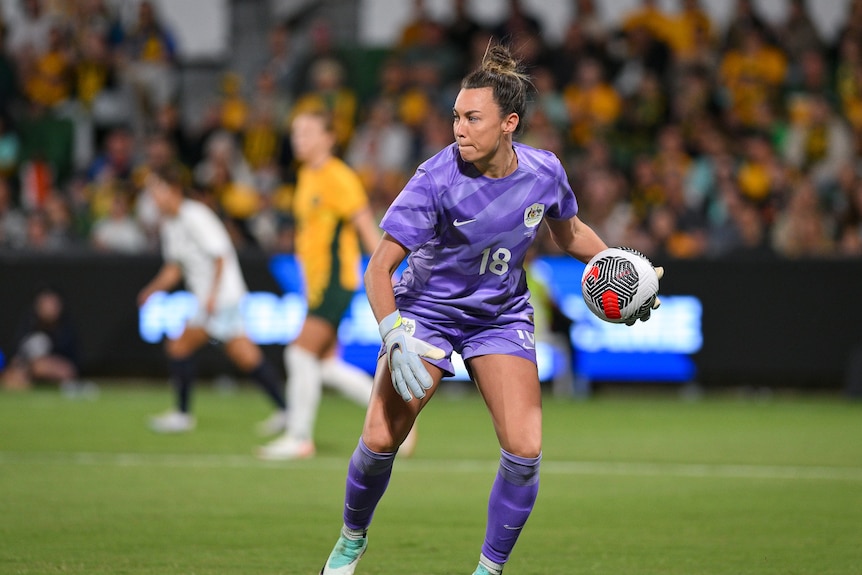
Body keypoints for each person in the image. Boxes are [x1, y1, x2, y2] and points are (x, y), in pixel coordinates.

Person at [316, 43, 662, 575]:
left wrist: (626, 271)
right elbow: (377, 269)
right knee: (381, 438)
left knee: (524, 452)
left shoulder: (544, 172)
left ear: (509, 123)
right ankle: (350, 539)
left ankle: (488, 570)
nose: (459, 128)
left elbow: (568, 234)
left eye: (472, 118)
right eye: (456, 116)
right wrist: (392, 333)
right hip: (427, 311)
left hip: (499, 316)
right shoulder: (434, 179)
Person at [257, 108, 411, 460]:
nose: (299, 139)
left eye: (308, 132)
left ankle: (299, 438)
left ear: (328, 138)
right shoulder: (306, 176)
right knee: (324, 365)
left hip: (335, 284)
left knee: (298, 353)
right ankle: (401, 416)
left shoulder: (338, 177)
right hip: (316, 285)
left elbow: (366, 227)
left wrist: (390, 271)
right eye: (296, 133)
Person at [137, 164, 287, 434]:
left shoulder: (195, 215)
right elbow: (174, 268)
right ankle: (286, 410)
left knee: (179, 347)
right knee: (246, 355)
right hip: (214, 299)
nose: (153, 198)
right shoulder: (171, 225)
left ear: (172, 190)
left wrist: (212, 296)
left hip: (220, 299)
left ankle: (182, 416)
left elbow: (220, 255)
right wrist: (152, 289)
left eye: (156, 191)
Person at [1, 285, 95, 397]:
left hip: (60, 373)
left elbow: (71, 365)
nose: (50, 308)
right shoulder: (28, 325)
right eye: (46, 304)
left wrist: (53, 365)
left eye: (53, 304)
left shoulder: (66, 329)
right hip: (27, 369)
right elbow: (16, 357)